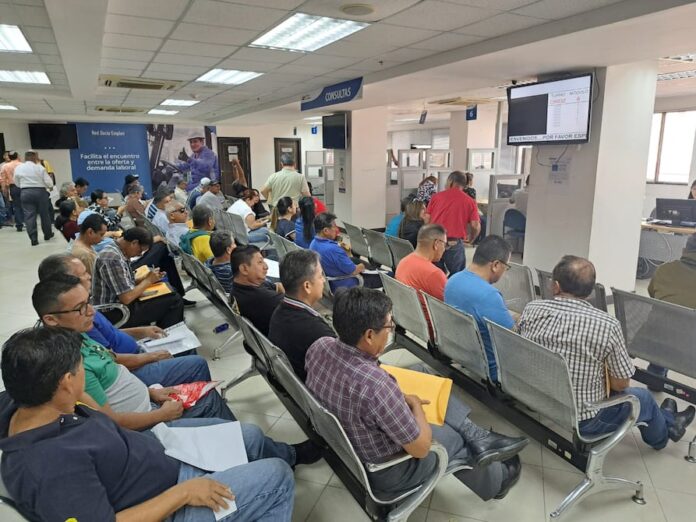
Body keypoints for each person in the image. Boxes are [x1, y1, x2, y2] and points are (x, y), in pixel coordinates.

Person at [0, 327, 319, 521]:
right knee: (276, 476)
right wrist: (183, 494)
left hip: (158, 453)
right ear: (67, 382)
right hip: (165, 503)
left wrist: (150, 395)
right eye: (81, 368)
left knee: (247, 435)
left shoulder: (29, 397)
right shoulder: (48, 467)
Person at [306, 287, 526, 501]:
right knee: (453, 437)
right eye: (389, 325)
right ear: (370, 335)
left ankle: (477, 434)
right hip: (389, 471)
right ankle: (498, 481)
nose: (391, 330)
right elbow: (421, 449)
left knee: (421, 373)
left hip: (349, 440)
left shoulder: (320, 346)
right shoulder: (376, 386)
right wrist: (415, 406)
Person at [517, 255, 695, 449]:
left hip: (535, 397)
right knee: (643, 398)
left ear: (555, 286)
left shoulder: (531, 309)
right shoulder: (606, 325)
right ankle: (664, 435)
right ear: (590, 291)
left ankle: (668, 419)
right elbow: (621, 384)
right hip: (585, 419)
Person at [32, 277, 235, 425]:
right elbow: (109, 422)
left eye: (89, 302)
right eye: (80, 308)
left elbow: (110, 360)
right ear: (51, 319)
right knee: (216, 406)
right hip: (146, 421)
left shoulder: (75, 333)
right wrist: (161, 415)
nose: (92, 311)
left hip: (147, 400)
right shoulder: (73, 366)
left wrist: (151, 393)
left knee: (202, 380)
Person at [39, 254, 214, 388]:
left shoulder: (83, 306)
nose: (89, 276)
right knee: (196, 364)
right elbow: (109, 361)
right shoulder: (77, 320)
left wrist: (142, 331)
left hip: (137, 353)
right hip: (132, 368)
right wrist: (150, 357)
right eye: (82, 274)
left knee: (187, 346)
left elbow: (110, 333)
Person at [444, 236, 514, 381]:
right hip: (492, 370)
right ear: (496, 265)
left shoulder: (452, 280)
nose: (505, 272)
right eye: (506, 267)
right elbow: (511, 339)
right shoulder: (489, 295)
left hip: (463, 356)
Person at [93, 227, 185, 328]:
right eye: (140, 250)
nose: (140, 254)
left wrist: (146, 278)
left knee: (170, 291)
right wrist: (148, 280)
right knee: (174, 300)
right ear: (134, 243)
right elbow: (126, 298)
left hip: (119, 305)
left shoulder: (117, 250)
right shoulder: (112, 258)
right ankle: (165, 334)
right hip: (115, 312)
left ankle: (160, 331)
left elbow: (124, 284)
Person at [269, 250, 335, 381]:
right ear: (307, 286)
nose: (323, 280)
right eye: (320, 276)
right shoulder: (318, 332)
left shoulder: (279, 311)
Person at [645, 233, 696, 383]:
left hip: (657, 340)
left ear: (684, 250)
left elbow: (653, 294)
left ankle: (656, 374)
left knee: (664, 321)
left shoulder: (663, 270)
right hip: (690, 347)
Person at [427, 170, 481, 274]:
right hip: (454, 242)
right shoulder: (470, 201)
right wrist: (472, 239)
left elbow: (426, 219)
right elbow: (475, 225)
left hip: (435, 242)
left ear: (450, 181)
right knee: (457, 275)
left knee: (435, 274)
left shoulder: (436, 197)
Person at [310, 212, 378, 291]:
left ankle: (375, 269)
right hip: (346, 284)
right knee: (383, 277)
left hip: (330, 281)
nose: (336, 229)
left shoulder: (313, 243)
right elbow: (353, 271)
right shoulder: (333, 249)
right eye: (334, 226)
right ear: (326, 231)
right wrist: (361, 266)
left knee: (354, 259)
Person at [231, 245, 283, 336]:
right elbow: (301, 304)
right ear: (244, 269)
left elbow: (278, 286)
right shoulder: (264, 298)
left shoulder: (238, 287)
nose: (266, 266)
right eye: (260, 262)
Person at [395, 223, 449, 307]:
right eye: (445, 244)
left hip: (406, 312)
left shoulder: (403, 262)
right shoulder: (434, 274)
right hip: (428, 315)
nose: (444, 249)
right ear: (436, 244)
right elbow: (450, 307)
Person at [14, 150, 54, 246]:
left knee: (29, 215)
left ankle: (33, 238)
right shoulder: (40, 167)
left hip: (25, 192)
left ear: (25, 157)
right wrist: (50, 187)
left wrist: (23, 187)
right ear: (34, 157)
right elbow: (49, 182)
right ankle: (47, 234)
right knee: (44, 214)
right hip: (40, 192)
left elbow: (16, 181)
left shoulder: (19, 168)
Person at [0, 151, 23, 232]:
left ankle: (19, 225)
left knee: (16, 206)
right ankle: (28, 222)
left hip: (13, 187)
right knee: (27, 205)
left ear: (9, 157)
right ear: (17, 156)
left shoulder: (5, 166)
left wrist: (4, 189)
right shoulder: (22, 165)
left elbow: (2, 179)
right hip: (24, 186)